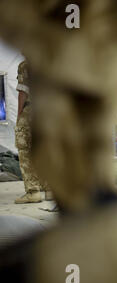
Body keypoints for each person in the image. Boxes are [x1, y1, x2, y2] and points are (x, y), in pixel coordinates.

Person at [14, 60, 52, 204]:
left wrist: (19, 116)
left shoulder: (25, 65)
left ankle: (33, 191)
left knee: (25, 151)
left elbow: (23, 92)